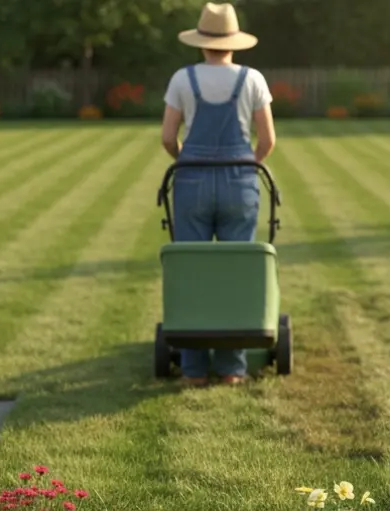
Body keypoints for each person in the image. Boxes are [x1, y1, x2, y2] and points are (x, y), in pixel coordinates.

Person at [161, 2, 276, 387]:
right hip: (240, 183)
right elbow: (268, 140)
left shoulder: (182, 79)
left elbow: (167, 137)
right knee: (236, 272)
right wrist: (245, 164)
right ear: (233, 42)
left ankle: (193, 370)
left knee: (192, 270)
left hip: (191, 181)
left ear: (201, 42)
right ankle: (231, 368)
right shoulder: (253, 79)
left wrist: (190, 161)